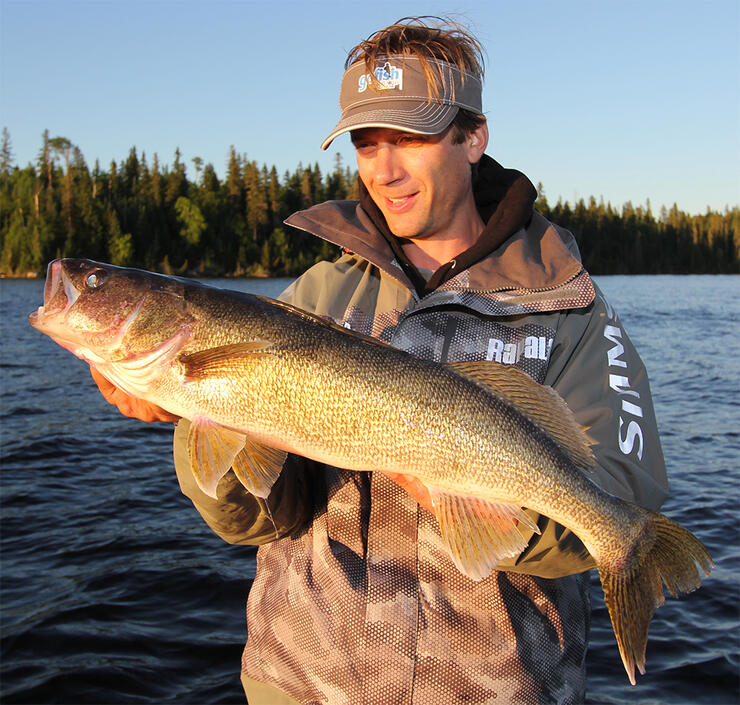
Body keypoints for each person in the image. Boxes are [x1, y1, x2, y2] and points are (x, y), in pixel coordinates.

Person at [92, 17, 669, 705]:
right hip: (300, 686)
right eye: (367, 142)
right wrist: (193, 419)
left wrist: (487, 503)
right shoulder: (315, 297)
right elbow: (250, 521)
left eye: (412, 137)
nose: (385, 168)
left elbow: (625, 487)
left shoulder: (568, 308)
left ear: (473, 136)